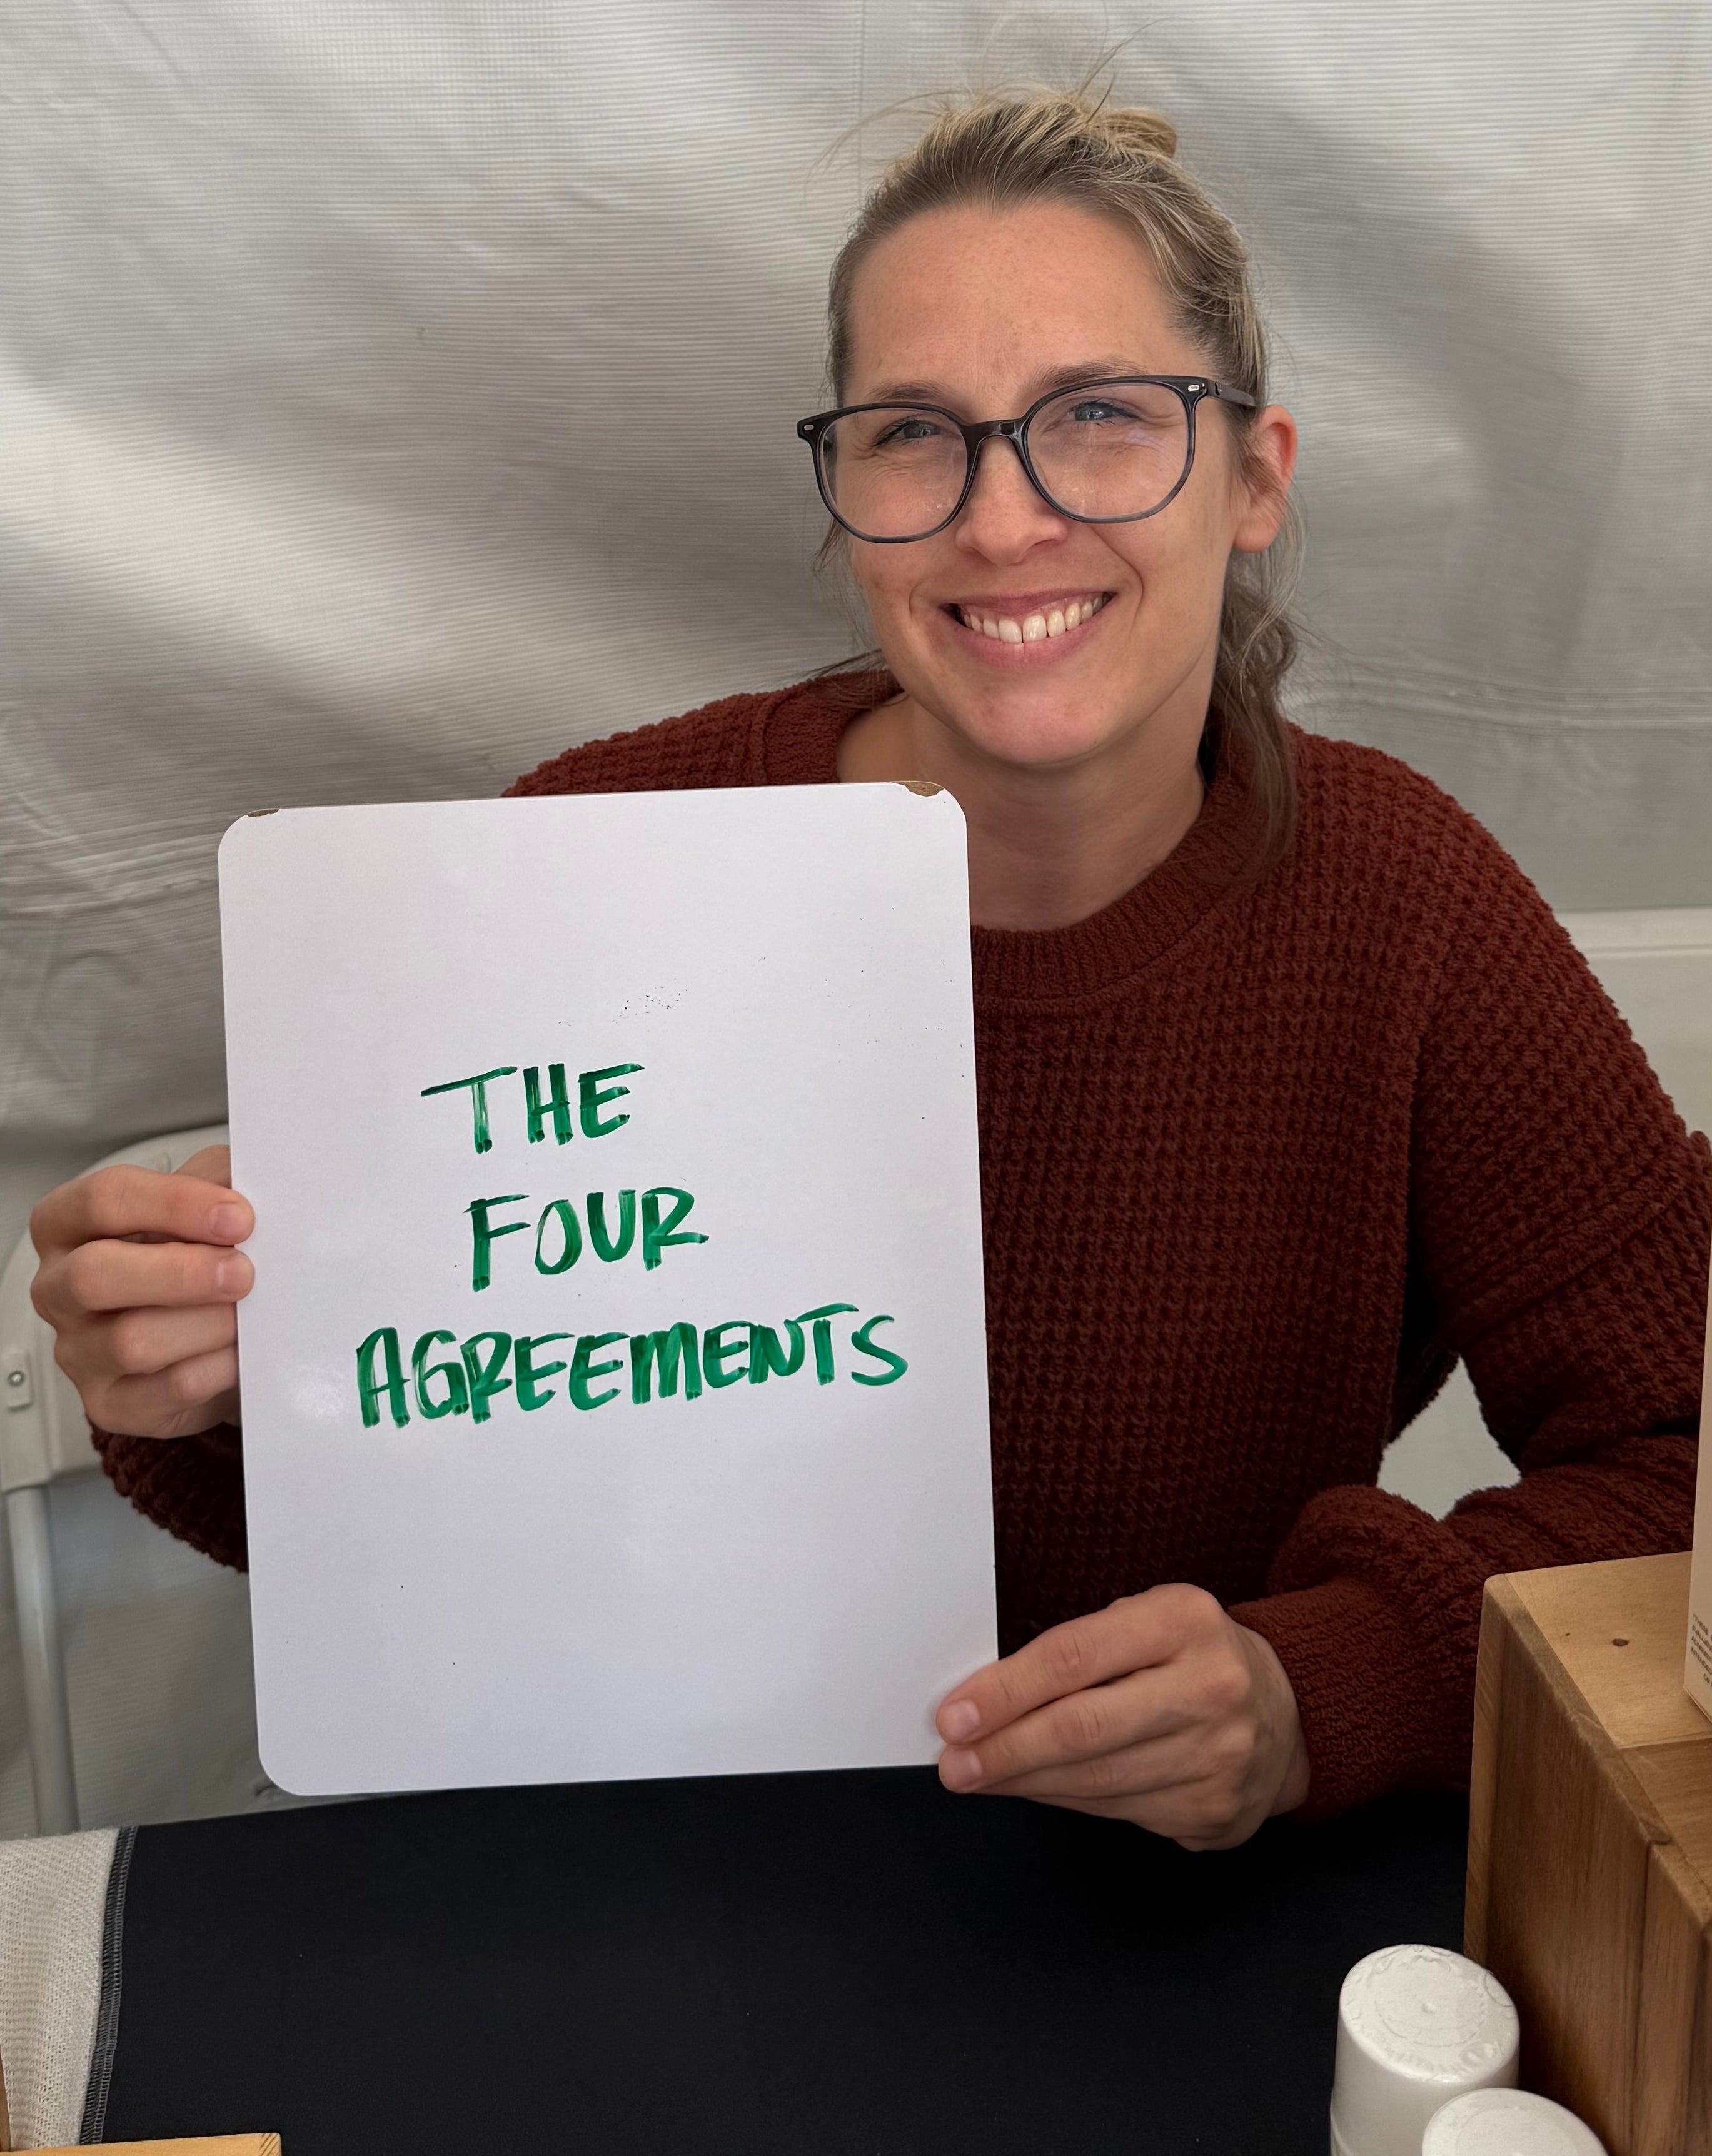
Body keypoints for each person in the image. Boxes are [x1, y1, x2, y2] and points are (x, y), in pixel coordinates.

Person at [29, 92, 1708, 1851]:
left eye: (1104, 418)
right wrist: (205, 1383)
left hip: (1151, 1914)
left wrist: (1321, 1687)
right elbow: (414, 1488)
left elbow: (1682, 1470)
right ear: (846, 499)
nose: (1003, 521)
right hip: (635, 1861)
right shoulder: (578, 862)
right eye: (917, 435)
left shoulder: (1400, 900)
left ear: (1254, 477)